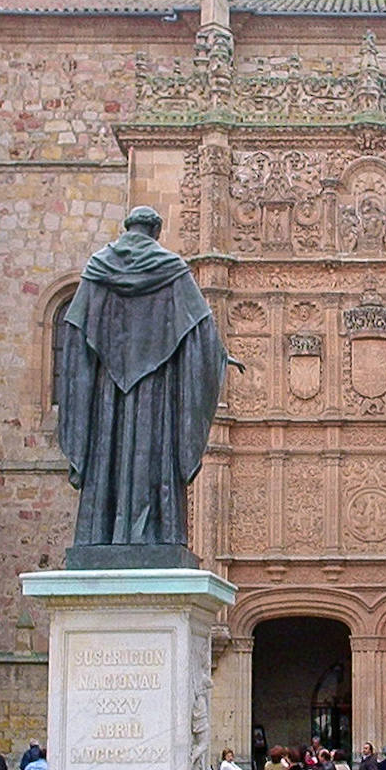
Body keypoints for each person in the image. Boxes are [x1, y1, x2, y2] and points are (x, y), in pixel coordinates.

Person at [57, 205, 233, 564]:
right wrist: (219, 358)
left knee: (111, 452)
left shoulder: (97, 269)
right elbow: (203, 333)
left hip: (108, 396)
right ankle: (154, 531)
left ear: (128, 229)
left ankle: (102, 532)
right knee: (151, 454)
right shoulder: (171, 270)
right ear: (155, 231)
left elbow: (75, 333)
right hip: (157, 395)